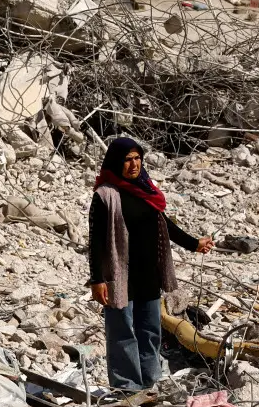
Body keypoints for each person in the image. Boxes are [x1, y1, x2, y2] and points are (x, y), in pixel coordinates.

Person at [86, 138, 212, 392]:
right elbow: (96, 241)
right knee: (123, 332)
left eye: (136, 158)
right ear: (115, 162)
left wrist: (194, 243)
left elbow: (165, 225)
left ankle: (150, 380)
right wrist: (97, 279)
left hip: (148, 274)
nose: (133, 164)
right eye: (127, 159)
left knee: (150, 330)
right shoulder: (105, 196)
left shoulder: (146, 191)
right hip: (120, 277)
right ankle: (127, 385)